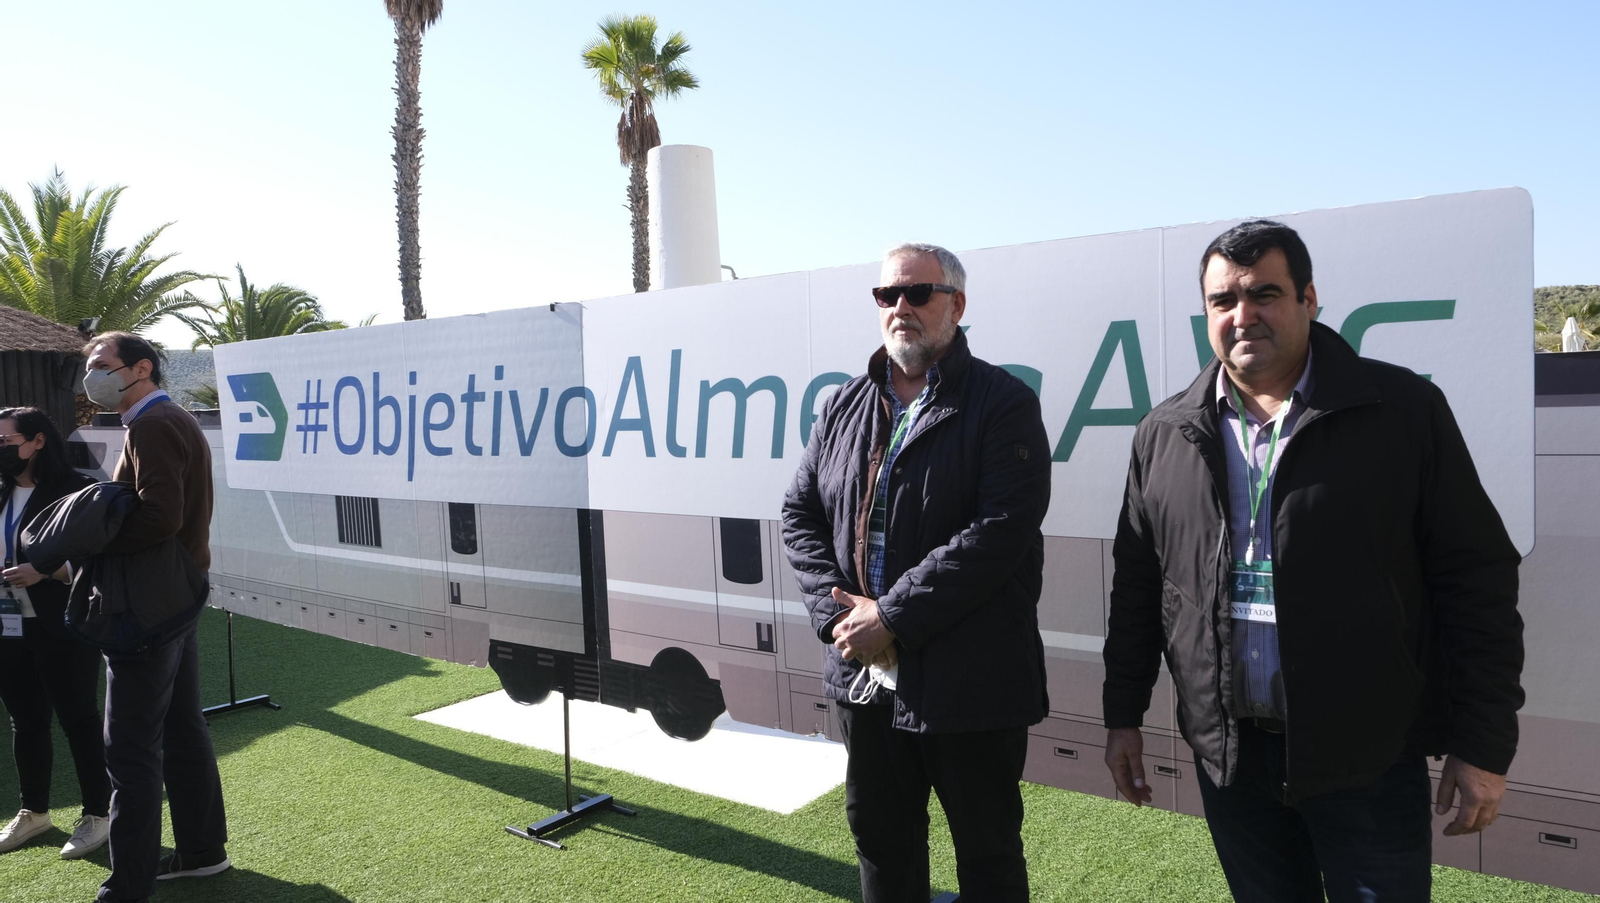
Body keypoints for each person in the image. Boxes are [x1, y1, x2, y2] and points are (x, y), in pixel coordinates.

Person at [1101, 220, 1525, 901]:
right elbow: (1141, 588)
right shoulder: (1166, 431)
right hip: (1231, 760)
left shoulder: (1402, 411)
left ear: (1309, 299)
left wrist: (1484, 743)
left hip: (1366, 759)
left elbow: (1475, 581)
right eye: (1223, 300)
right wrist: (1122, 715)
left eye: (1264, 293)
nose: (1243, 315)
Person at [781, 243, 1052, 902]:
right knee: (882, 844)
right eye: (886, 295)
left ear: (955, 305)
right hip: (865, 681)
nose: (900, 307)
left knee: (986, 858)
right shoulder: (843, 405)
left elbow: (998, 532)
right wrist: (842, 618)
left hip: (971, 682)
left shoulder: (1003, 402)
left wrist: (891, 616)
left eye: (917, 293)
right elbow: (798, 513)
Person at [78, 333, 230, 901]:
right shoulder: (167, 419)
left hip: (151, 604)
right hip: (176, 595)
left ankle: (129, 885)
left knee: (130, 747)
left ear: (142, 368)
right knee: (181, 726)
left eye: (102, 365)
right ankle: (202, 852)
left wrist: (95, 544)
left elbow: (160, 517)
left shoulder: (152, 424)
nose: (92, 376)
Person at [0, 407, 109, 859]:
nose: (0, 451)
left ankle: (100, 815)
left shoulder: (78, 489)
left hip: (62, 623)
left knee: (79, 720)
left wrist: (47, 571)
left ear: (38, 441)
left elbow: (103, 557)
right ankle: (35, 811)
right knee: (25, 721)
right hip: (6, 627)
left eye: (6, 442)